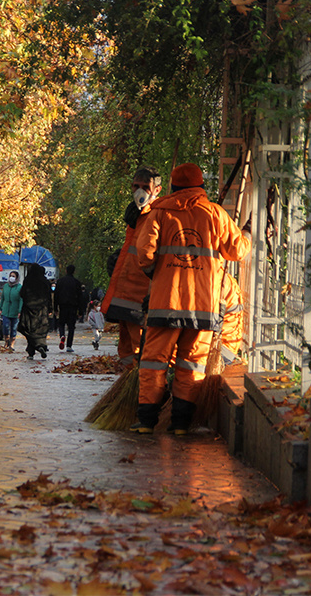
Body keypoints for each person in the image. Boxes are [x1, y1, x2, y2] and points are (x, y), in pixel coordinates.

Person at [132, 163, 252, 435]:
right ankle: (181, 424)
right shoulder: (215, 214)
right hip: (203, 308)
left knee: (153, 361)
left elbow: (144, 253)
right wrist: (247, 233)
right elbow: (237, 251)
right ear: (200, 187)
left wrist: (157, 273)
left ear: (173, 186)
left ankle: (147, 422)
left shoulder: (159, 213)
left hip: (165, 304)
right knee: (191, 365)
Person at [101, 167, 164, 366]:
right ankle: (129, 384)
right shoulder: (136, 216)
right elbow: (134, 250)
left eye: (146, 187)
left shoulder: (158, 216)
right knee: (126, 351)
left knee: (141, 351)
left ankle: (142, 390)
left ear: (157, 190)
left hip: (140, 298)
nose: (140, 191)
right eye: (136, 186)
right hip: (125, 297)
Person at [18, 264, 52, 360]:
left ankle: (32, 350)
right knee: (40, 330)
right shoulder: (45, 282)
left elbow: (22, 293)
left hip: (28, 310)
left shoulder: (28, 280)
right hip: (42, 310)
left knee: (28, 329)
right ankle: (41, 345)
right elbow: (48, 296)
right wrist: (50, 309)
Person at [54, 265, 83, 352]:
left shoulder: (60, 282)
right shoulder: (77, 283)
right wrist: (80, 311)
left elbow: (56, 295)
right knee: (71, 327)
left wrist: (55, 308)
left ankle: (62, 335)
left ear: (66, 271)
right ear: (74, 271)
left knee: (61, 323)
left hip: (62, 306)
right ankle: (69, 346)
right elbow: (80, 297)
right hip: (73, 306)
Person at [0, 271, 23, 350]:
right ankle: (6, 341)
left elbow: (21, 300)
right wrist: (1, 307)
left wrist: (20, 311)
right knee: (5, 326)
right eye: (10, 276)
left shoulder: (19, 287)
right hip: (6, 310)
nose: (11, 277)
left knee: (13, 328)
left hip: (15, 311)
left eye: (13, 276)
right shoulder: (6, 286)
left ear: (16, 278)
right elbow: (3, 297)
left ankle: (12, 344)